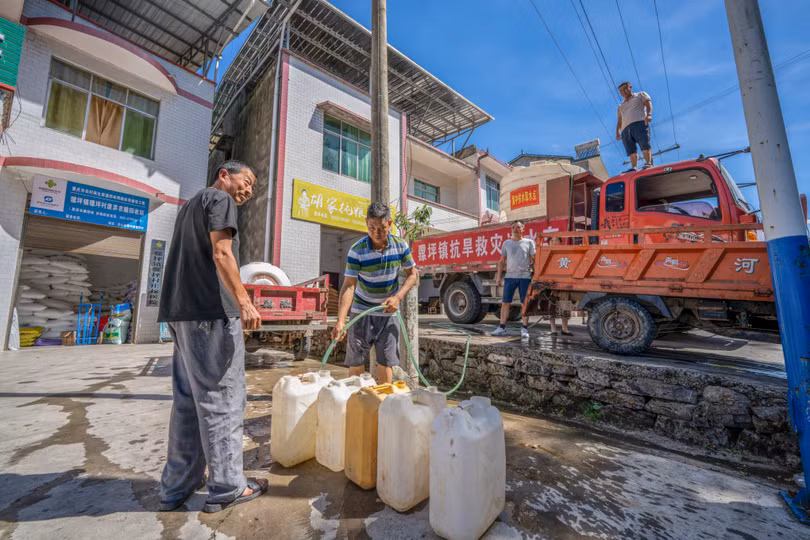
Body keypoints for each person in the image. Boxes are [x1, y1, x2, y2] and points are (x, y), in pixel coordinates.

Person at [157, 159, 266, 514]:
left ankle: (177, 485)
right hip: (210, 313)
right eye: (245, 181)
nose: (247, 190)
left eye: (252, 187)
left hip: (180, 314)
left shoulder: (191, 205)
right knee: (223, 398)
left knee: (188, 401)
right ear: (224, 175)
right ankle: (228, 486)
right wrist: (245, 301)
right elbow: (222, 253)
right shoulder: (220, 201)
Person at [332, 202, 419, 384]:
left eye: (381, 228)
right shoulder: (357, 250)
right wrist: (340, 321)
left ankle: (382, 404)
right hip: (361, 314)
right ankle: (355, 401)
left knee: (385, 363)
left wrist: (398, 297)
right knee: (356, 362)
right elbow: (349, 285)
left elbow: (413, 275)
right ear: (366, 224)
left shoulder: (400, 247)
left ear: (390, 224)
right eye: (372, 228)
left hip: (388, 314)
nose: (376, 233)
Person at [492, 220, 536, 339]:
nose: (516, 229)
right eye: (513, 227)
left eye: (518, 227)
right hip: (510, 277)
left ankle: (525, 328)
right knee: (505, 302)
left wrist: (535, 276)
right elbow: (501, 261)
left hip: (524, 277)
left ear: (523, 229)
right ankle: (501, 327)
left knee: (524, 303)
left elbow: (535, 260)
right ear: (511, 230)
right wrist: (498, 277)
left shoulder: (529, 243)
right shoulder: (507, 243)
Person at [615, 81, 653, 172]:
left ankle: (648, 163)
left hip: (639, 123)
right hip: (625, 129)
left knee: (644, 144)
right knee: (631, 150)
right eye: (621, 91)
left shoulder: (640, 95)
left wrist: (649, 114)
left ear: (630, 87)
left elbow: (648, 104)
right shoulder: (620, 106)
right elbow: (619, 120)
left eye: (625, 89)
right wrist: (617, 132)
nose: (623, 92)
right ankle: (634, 168)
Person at [547, 237, 573, 336]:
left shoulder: (565, 253)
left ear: (560, 242)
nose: (554, 243)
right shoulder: (546, 254)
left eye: (556, 240)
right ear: (548, 243)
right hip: (549, 285)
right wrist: (552, 288)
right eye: (551, 241)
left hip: (563, 285)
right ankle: (553, 329)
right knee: (550, 307)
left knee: (565, 305)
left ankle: (565, 328)